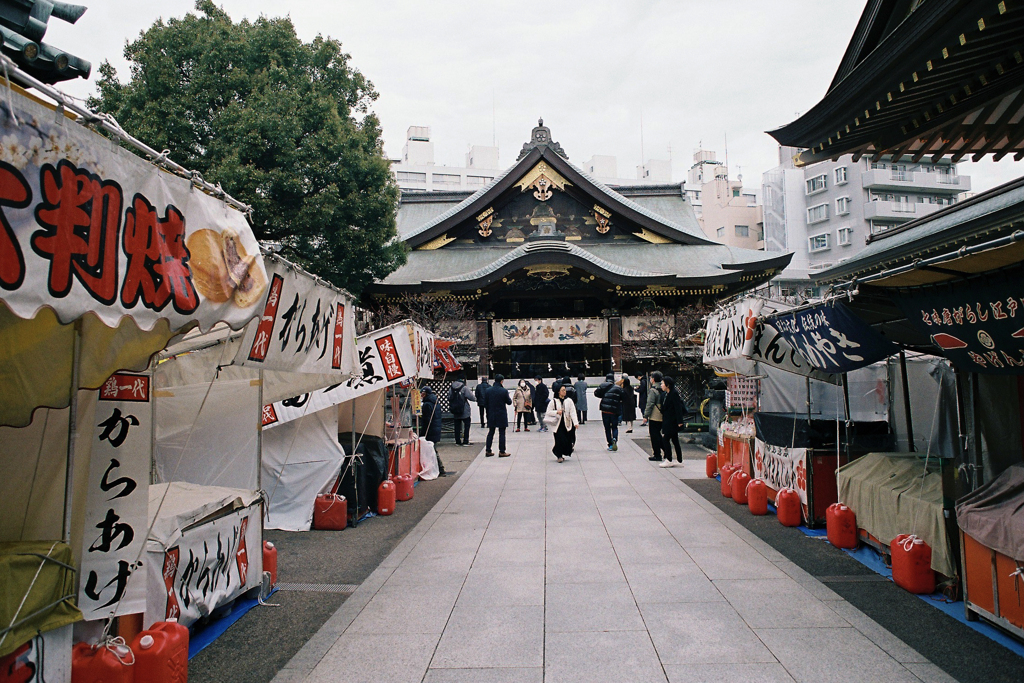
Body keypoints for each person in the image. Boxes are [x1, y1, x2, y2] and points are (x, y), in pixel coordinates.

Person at [546, 383, 579, 463]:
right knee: (559, 440)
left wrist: (575, 422)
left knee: (566, 440)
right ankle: (559, 455)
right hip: (557, 425)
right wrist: (557, 412)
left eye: (565, 390)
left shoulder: (569, 401)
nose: (565, 392)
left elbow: (573, 412)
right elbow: (548, 412)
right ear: (558, 392)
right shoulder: (553, 401)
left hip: (567, 424)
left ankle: (558, 451)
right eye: (563, 390)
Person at [420, 386, 447, 476]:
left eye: (422, 393)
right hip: (436, 428)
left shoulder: (427, 404)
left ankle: (440, 468)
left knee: (432, 450)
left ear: (425, 393)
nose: (421, 395)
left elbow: (427, 420)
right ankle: (438, 468)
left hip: (430, 429)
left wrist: (422, 432)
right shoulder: (435, 402)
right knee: (432, 449)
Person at [594, 373, 624, 451]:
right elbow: (623, 397)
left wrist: (604, 396)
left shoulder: (602, 385)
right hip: (614, 410)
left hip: (605, 410)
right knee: (614, 427)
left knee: (607, 428)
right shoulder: (618, 388)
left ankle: (610, 444)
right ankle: (614, 439)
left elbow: (596, 393)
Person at [659, 375, 685, 467]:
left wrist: (680, 421)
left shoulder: (674, 394)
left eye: (662, 383)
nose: (661, 385)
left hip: (672, 421)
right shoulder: (665, 394)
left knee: (665, 439)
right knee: (674, 440)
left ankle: (669, 459)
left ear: (668, 385)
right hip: (667, 419)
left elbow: (678, 408)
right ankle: (679, 459)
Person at [484, 374, 512, 457]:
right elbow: (509, 402)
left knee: (491, 432)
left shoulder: (488, 390)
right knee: (502, 433)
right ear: (501, 381)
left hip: (491, 413)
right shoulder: (503, 391)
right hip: (501, 413)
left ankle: (488, 450)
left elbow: (485, 403)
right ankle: (502, 451)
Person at [643, 371, 665, 462]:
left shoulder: (653, 390)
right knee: (659, 435)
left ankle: (657, 454)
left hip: (655, 415)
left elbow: (650, 404)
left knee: (654, 435)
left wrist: (645, 416)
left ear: (653, 379)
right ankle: (666, 451)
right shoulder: (663, 388)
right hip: (663, 414)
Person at [448, 375, 476, 446]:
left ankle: (457, 441)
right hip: (464, 409)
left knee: (457, 426)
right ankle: (465, 441)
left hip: (455, 409)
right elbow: (471, 397)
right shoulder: (464, 388)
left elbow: (449, 397)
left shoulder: (451, 388)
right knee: (467, 425)